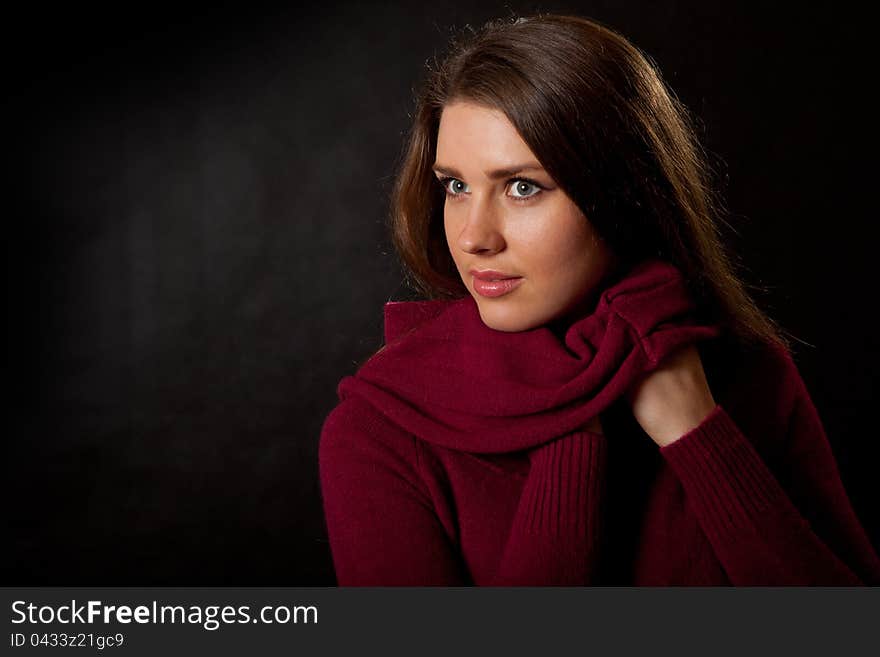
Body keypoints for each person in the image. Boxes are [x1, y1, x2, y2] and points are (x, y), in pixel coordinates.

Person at [318, 13, 880, 585]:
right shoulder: (379, 430)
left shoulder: (751, 376)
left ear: (624, 191)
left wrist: (700, 433)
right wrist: (567, 427)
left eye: (522, 187)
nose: (473, 237)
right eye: (456, 186)